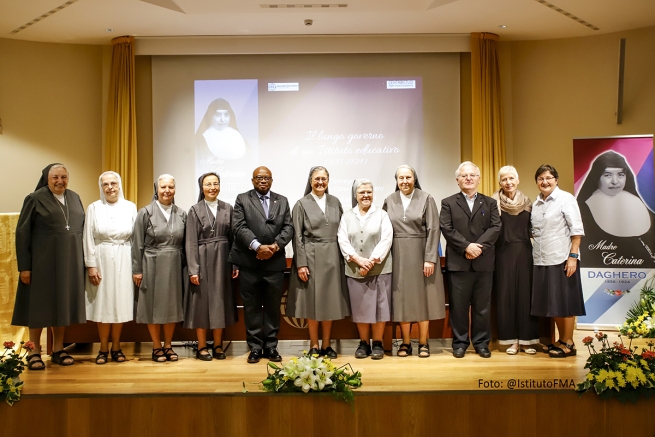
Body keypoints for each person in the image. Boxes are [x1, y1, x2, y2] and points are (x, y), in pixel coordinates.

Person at [12, 163, 86, 369]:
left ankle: (58, 349)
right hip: (41, 263)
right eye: (55, 177)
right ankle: (34, 351)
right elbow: (22, 233)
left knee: (61, 306)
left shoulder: (74, 197)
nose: (60, 181)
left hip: (68, 262)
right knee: (38, 307)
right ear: (47, 178)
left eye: (63, 177)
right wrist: (24, 266)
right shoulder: (34, 199)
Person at [228, 166, 293, 364]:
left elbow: (288, 227)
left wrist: (274, 246)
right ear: (252, 180)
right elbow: (238, 226)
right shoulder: (242, 199)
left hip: (274, 263)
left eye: (266, 178)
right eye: (259, 178)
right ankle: (255, 347)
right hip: (250, 262)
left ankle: (271, 346)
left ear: (272, 180)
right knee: (252, 307)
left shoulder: (282, 200)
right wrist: (257, 247)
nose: (262, 181)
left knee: (273, 307)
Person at [287, 167, 350, 358]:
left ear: (328, 181)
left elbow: (343, 231)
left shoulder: (335, 202)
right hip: (311, 257)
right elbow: (297, 236)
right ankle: (314, 345)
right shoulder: (301, 204)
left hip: (333, 256)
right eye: (316, 179)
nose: (320, 182)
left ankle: (327, 345)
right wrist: (301, 263)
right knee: (312, 304)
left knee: (329, 302)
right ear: (310, 181)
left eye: (324, 179)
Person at [440, 161, 501, 359]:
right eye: (464, 175)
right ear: (457, 180)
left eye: (472, 175)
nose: (468, 178)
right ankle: (460, 343)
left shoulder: (490, 203)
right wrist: (466, 246)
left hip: (483, 263)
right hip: (459, 263)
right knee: (459, 307)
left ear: (479, 179)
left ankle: (482, 343)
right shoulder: (448, 202)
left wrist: (477, 248)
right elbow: (447, 229)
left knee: (482, 307)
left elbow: (495, 227)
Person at [383, 165, 445, 358]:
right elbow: (384, 230)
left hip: (421, 253)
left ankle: (424, 343)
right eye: (401, 178)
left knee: (422, 298)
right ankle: (406, 343)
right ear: (397, 180)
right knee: (402, 299)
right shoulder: (389, 200)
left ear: (414, 178)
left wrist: (429, 259)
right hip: (397, 254)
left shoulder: (426, 198)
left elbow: (434, 229)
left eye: (408, 177)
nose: (404, 181)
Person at [531, 164, 585, 358]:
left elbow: (576, 231)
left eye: (548, 178)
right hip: (542, 259)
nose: (544, 182)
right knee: (554, 304)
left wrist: (573, 257)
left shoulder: (566, 199)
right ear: (536, 182)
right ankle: (561, 340)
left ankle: (569, 342)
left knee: (566, 302)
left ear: (556, 180)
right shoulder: (536, 204)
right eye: (540, 179)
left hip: (562, 258)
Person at [84, 171, 137, 364]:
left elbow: (135, 238)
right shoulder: (94, 208)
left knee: (119, 303)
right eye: (106, 184)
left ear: (119, 185)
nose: (110, 187)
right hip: (101, 258)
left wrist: (136, 266)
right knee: (103, 304)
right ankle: (103, 348)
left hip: (124, 257)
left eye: (113, 183)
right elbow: (88, 238)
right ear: (101, 187)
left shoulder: (130, 207)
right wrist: (91, 265)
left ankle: (117, 346)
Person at [132, 174, 186, 363]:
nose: (167, 191)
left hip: (175, 263)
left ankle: (168, 346)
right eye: (163, 187)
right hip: (151, 262)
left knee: (172, 306)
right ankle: (156, 347)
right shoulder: (145, 212)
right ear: (157, 189)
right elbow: (137, 243)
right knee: (152, 306)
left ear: (175, 189)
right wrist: (137, 270)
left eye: (170, 187)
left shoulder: (181, 213)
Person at [184, 172, 238, 361]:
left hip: (223, 260)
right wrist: (193, 269)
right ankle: (201, 347)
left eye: (216, 183)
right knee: (201, 304)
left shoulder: (228, 208)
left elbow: (233, 240)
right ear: (202, 187)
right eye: (208, 184)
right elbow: (190, 242)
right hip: (202, 259)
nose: (212, 187)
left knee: (219, 302)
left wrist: (234, 263)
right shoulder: (194, 210)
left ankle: (218, 345)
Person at [337, 179, 393, 360]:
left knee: (380, 307)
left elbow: (386, 239)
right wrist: (359, 261)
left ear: (373, 194)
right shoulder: (346, 216)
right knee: (360, 307)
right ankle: (363, 343)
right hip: (355, 268)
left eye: (369, 192)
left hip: (380, 268)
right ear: (356, 195)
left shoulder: (382, 215)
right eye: (362, 192)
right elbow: (342, 240)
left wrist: (371, 261)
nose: (366, 195)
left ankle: (377, 343)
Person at [577, 150, 655, 267]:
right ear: (596, 177)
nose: (615, 181)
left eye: (620, 175)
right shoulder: (582, 210)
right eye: (607, 175)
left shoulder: (637, 203)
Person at [491, 166, 539, 355]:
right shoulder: (492, 203)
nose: (508, 182)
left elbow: (534, 229)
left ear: (517, 180)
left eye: (511, 178)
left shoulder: (528, 203)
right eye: (504, 179)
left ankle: (527, 341)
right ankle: (512, 341)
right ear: (500, 183)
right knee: (506, 298)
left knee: (525, 297)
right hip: (502, 255)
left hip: (525, 254)